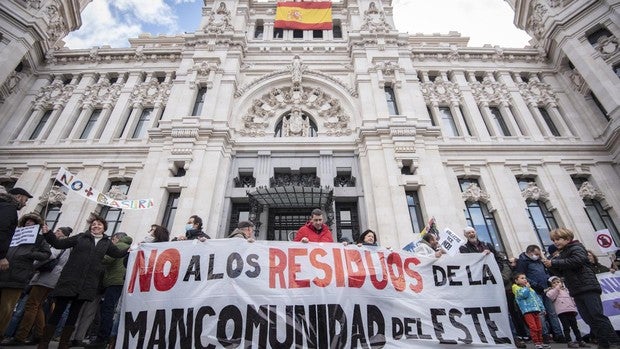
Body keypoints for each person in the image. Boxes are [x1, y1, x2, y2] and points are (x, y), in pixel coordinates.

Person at [37, 214, 129, 349]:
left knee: (74, 314)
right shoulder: (80, 237)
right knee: (58, 311)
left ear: (104, 228)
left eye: (99, 225)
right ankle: (44, 343)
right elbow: (58, 243)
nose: (96, 226)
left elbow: (118, 254)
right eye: (94, 224)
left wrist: (132, 248)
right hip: (70, 280)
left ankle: (63, 344)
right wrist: (48, 233)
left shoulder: (106, 243)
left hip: (87, 284)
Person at [543, 228, 620, 349]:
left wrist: (556, 263)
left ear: (567, 238)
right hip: (576, 289)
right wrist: (550, 265)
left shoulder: (576, 248)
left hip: (587, 286)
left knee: (596, 315)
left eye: (558, 239)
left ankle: (613, 341)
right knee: (588, 318)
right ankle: (603, 343)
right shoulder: (562, 253)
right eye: (553, 240)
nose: (555, 242)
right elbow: (561, 272)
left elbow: (577, 261)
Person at [2, 227, 72, 346]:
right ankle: (39, 334)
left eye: (58, 231)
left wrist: (32, 264)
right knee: (37, 305)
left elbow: (48, 256)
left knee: (31, 305)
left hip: (45, 277)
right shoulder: (68, 246)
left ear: (63, 234)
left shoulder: (59, 244)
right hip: (53, 278)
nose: (55, 233)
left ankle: (20, 336)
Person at [0, 212, 50, 336]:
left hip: (18, 276)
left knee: (6, 308)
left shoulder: (39, 239)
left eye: (32, 221)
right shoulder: (14, 233)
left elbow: (46, 255)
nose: (29, 222)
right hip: (2, 272)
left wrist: (32, 254)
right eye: (27, 220)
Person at [87, 232, 133, 348]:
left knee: (107, 309)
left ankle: (102, 338)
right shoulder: (129, 247)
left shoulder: (118, 246)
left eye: (113, 240)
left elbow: (107, 260)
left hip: (114, 281)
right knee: (115, 310)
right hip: (123, 282)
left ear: (117, 239)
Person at [516, 244, 564, 343]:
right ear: (529, 253)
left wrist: (548, 282)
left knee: (552, 313)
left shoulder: (539, 261)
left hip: (547, 289)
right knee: (540, 314)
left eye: (539, 254)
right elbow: (524, 277)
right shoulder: (523, 262)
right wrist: (537, 286)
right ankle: (544, 335)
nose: (538, 255)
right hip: (535, 291)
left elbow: (546, 272)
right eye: (536, 254)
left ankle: (558, 334)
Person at [545, 276, 589, 348]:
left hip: (571, 310)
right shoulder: (551, 291)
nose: (556, 284)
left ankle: (580, 340)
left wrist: (574, 306)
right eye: (554, 283)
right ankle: (569, 341)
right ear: (551, 285)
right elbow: (550, 296)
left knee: (575, 327)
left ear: (562, 283)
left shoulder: (566, 290)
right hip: (562, 312)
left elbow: (572, 299)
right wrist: (557, 288)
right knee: (566, 327)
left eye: (558, 282)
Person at [513, 272, 550, 349]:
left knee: (539, 327)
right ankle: (536, 342)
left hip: (536, 310)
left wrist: (542, 308)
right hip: (527, 311)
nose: (524, 279)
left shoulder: (531, 289)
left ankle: (541, 342)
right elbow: (523, 295)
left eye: (525, 278)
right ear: (516, 281)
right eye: (522, 278)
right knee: (533, 327)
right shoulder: (516, 288)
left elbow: (537, 299)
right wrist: (527, 288)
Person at [0, 187, 33, 272]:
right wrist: (1, 256)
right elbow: (2, 230)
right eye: (25, 200)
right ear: (18, 197)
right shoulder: (9, 208)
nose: (25, 204)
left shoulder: (3, 205)